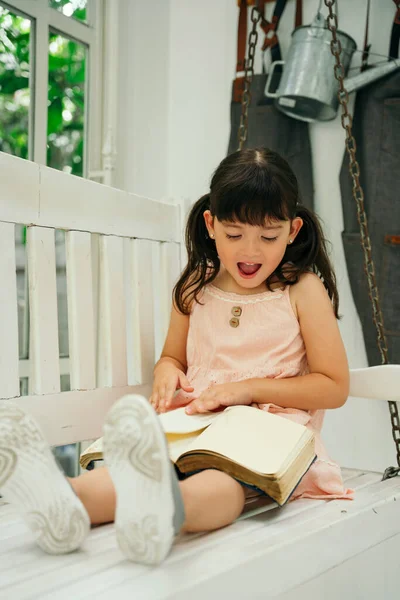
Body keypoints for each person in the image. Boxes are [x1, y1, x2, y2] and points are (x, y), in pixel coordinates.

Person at [0, 147, 353, 567]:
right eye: (235, 234)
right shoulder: (195, 287)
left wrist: (246, 389)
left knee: (224, 483)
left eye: (269, 236)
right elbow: (172, 357)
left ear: (293, 230)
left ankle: (166, 509)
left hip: (265, 434)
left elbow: (334, 386)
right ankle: (64, 500)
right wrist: (166, 372)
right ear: (211, 223)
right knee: (134, 472)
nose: (250, 252)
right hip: (196, 425)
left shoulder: (300, 289)